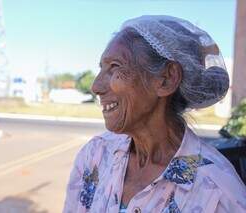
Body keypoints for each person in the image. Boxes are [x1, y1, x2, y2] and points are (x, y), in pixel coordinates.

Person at [63, 15, 246, 213]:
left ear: (166, 79)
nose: (96, 86)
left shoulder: (218, 192)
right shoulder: (95, 155)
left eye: (115, 67)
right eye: (102, 68)